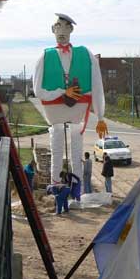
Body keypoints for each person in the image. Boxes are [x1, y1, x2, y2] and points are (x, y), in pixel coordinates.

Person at [34, 13, 108, 184]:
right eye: (57, 26)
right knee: (57, 140)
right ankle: (56, 184)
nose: (61, 30)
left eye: (65, 26)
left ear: (71, 29)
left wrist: (100, 116)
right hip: (54, 110)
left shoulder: (85, 54)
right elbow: (38, 90)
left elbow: (97, 84)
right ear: (53, 30)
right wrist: (61, 92)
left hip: (78, 108)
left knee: (76, 145)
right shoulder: (45, 57)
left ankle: (78, 186)